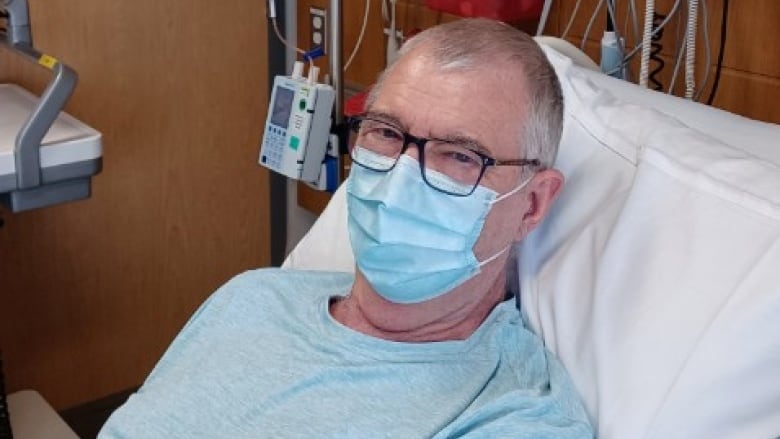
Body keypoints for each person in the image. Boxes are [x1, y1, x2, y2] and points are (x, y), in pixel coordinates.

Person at [100, 18, 593, 438]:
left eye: (460, 156)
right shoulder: (251, 296)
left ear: (531, 205)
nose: (402, 176)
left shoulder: (512, 414)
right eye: (385, 132)